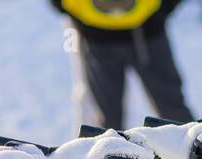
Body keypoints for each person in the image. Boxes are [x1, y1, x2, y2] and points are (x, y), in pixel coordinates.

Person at [50, 0, 193, 131]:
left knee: (107, 120)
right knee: (173, 110)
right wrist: (160, 11)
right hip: (147, 34)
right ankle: (196, 154)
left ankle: (109, 155)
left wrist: (80, 18)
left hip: (99, 37)